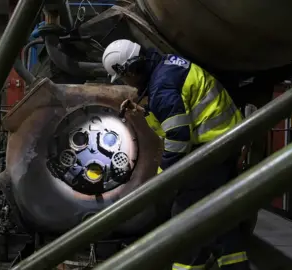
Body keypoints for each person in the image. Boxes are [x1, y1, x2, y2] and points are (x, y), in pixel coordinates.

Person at [102, 39, 250, 270]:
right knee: (220, 215)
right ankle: (235, 265)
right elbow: (179, 111)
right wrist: (145, 111)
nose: (124, 82)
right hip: (225, 141)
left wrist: (163, 177)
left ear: (130, 69)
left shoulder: (162, 87)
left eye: (122, 77)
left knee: (185, 218)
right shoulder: (166, 67)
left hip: (211, 149)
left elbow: (178, 138)